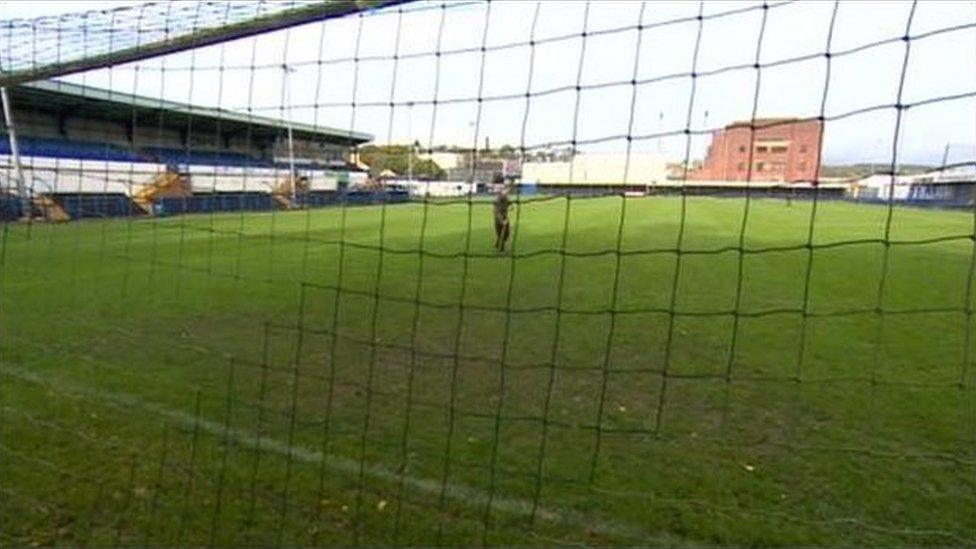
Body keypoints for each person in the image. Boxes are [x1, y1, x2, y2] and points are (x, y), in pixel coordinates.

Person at [493, 186, 512, 253]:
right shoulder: (497, 201)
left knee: (507, 233)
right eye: (505, 195)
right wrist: (502, 221)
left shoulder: (507, 199)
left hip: (505, 217)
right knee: (500, 233)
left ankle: (498, 241)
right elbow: (496, 212)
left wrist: (511, 207)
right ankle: (502, 248)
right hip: (498, 218)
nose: (506, 196)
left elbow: (511, 204)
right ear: (501, 194)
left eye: (507, 194)